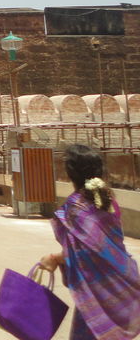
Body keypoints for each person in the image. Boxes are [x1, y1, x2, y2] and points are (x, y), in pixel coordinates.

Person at [39, 144, 140, 340]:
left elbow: (86, 251)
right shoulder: (107, 200)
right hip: (120, 279)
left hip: (96, 289)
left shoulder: (76, 207)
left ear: (69, 174)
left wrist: (55, 258)